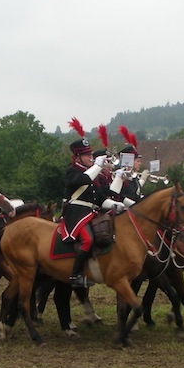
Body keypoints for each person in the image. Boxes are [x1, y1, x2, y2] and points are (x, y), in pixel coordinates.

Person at [60, 119, 121, 288]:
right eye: (87, 155)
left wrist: (118, 206)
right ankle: (75, 275)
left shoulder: (91, 174)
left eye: (91, 155)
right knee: (87, 240)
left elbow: (102, 198)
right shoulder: (73, 171)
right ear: (78, 157)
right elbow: (83, 180)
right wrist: (98, 166)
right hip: (76, 213)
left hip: (90, 213)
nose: (90, 158)